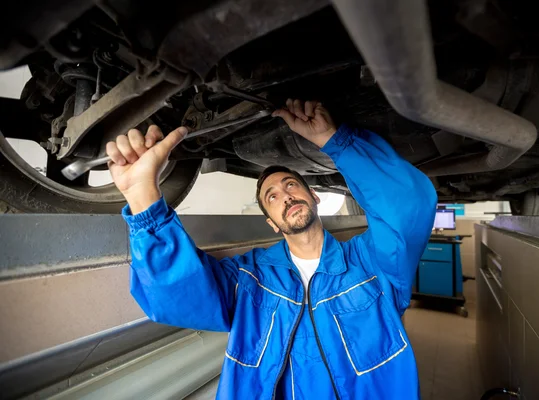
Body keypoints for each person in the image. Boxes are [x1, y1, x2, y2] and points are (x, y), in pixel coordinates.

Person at [107, 99, 437, 399]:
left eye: (291, 185)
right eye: (272, 197)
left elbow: (407, 205)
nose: (286, 196)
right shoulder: (249, 279)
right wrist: (142, 196)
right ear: (273, 224)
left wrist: (334, 141)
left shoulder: (371, 263)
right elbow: (178, 295)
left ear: (315, 197)